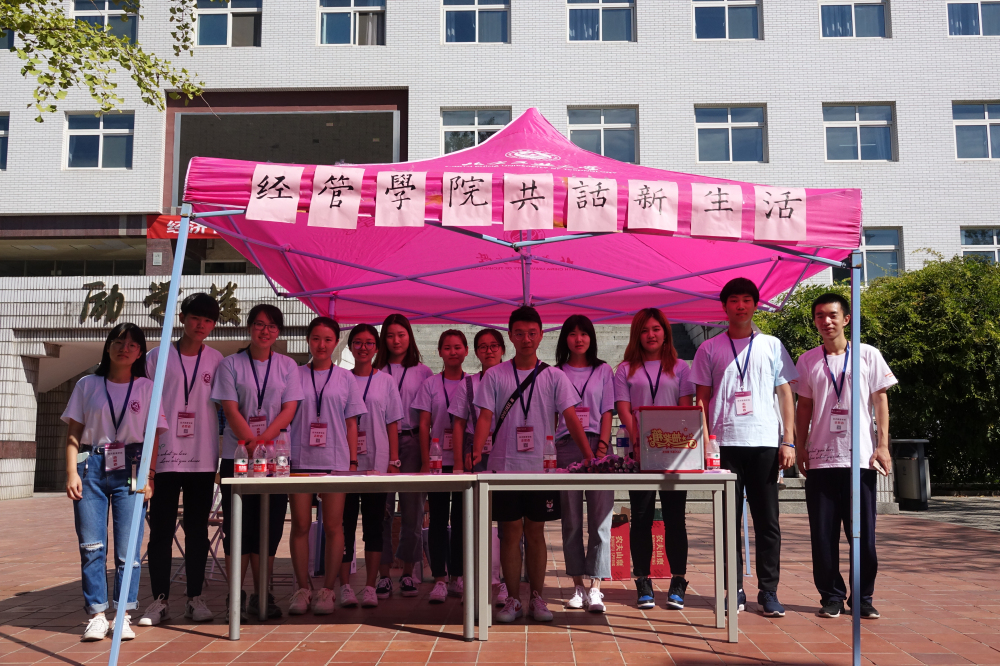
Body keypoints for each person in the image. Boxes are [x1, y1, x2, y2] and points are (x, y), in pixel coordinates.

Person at [471, 306, 594, 623]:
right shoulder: (495, 375)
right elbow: (484, 416)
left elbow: (571, 417)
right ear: (510, 336)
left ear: (541, 336)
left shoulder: (554, 376)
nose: (526, 339)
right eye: (519, 333)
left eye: (531, 333)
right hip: (504, 465)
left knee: (536, 531)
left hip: (542, 465)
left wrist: (589, 455)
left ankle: (537, 597)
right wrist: (475, 452)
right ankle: (513, 599)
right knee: (510, 531)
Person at [691, 278, 798, 617]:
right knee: (727, 522)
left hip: (765, 442)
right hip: (724, 445)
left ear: (755, 304)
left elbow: (785, 394)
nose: (741, 305)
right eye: (734, 300)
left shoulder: (771, 344)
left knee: (768, 521)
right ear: (724, 306)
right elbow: (701, 399)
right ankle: (733, 589)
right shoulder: (709, 348)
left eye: (747, 300)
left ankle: (769, 591)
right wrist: (706, 442)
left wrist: (788, 440)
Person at [793, 293, 896, 620]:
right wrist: (799, 445)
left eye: (833, 315)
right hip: (822, 459)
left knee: (863, 536)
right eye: (820, 316)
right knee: (823, 536)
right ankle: (831, 596)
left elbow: (880, 400)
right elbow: (804, 407)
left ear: (846, 319)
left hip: (860, 460)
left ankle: (863, 597)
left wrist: (882, 445)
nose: (826, 321)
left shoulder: (868, 355)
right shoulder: (807, 360)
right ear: (815, 321)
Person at [63, 322, 167, 641]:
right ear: (108, 346)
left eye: (133, 344)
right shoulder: (87, 384)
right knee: (92, 546)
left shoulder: (147, 388)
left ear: (140, 352)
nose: (125, 348)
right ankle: (97, 615)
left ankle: (123, 615)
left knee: (128, 549)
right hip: (91, 467)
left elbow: (153, 436)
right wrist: (71, 472)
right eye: (119, 342)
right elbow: (74, 432)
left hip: (133, 466)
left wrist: (149, 475)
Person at [211, 304, 303, 621]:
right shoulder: (230, 364)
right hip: (236, 455)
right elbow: (229, 407)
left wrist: (262, 442)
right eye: (260, 324)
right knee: (238, 526)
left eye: (272, 326)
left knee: (270, 526)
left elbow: (289, 409)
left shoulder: (288, 366)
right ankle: (235, 596)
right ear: (250, 327)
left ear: (279, 332)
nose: (266, 331)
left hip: (275, 457)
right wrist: (250, 442)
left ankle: (262, 594)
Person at [140, 294, 223, 627]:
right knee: (160, 530)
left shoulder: (217, 360)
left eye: (208, 320)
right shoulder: (156, 357)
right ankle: (159, 600)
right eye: (195, 318)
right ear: (183, 318)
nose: (201, 325)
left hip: (202, 458)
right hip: (164, 457)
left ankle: (194, 598)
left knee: (197, 531)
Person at [614, 308, 695, 611]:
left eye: (656, 329)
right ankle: (642, 580)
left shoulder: (681, 368)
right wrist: (638, 438)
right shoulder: (625, 370)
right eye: (645, 330)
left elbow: (685, 408)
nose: (651, 335)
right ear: (637, 334)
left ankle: (678, 580)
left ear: (665, 333)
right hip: (639, 453)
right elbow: (623, 408)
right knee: (641, 517)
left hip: (673, 453)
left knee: (675, 518)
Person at [286, 317, 367, 616]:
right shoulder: (294, 374)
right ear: (308, 340)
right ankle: (302, 588)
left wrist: (353, 462)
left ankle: (328, 590)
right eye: (316, 338)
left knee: (334, 526)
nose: (321, 345)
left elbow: (352, 423)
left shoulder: (345, 378)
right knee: (300, 525)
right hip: (299, 459)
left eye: (328, 339)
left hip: (335, 460)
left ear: (336, 343)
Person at [554, 315, 614, 614]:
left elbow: (607, 411)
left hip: (598, 447)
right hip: (566, 447)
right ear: (564, 338)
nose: (579, 339)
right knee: (572, 519)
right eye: (572, 334)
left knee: (601, 520)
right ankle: (577, 585)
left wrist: (602, 446)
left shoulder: (604, 370)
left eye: (584, 334)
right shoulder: (555, 372)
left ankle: (595, 586)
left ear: (592, 337)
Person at [341, 323, 403, 609]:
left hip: (376, 463)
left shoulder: (386, 381)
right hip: (345, 464)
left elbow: (392, 424)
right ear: (350, 347)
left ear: (377, 348)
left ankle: (369, 586)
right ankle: (344, 586)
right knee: (345, 525)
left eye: (369, 343)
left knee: (374, 525)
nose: (363, 347)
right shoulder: (341, 378)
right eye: (357, 342)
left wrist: (393, 461)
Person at [374, 314, 432, 599]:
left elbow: (427, 417)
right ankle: (384, 575)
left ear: (410, 337)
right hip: (380, 444)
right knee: (381, 511)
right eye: (390, 335)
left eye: (401, 334)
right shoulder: (375, 370)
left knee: (412, 512)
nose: (396, 341)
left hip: (412, 442)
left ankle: (409, 572)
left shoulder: (424, 372)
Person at [449, 327, 507, 606]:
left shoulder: (511, 379)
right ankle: (469, 577)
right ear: (476, 352)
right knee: (471, 519)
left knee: (508, 519)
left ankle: (506, 580)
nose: (489, 351)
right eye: (483, 346)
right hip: (475, 453)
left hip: (507, 450)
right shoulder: (468, 384)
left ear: (503, 350)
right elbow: (458, 424)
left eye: (494, 345)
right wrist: (459, 463)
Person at [413, 330, 469, 604]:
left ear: (466, 351)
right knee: (437, 519)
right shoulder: (430, 384)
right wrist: (425, 461)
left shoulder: (472, 383)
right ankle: (439, 578)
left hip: (462, 463)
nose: (452, 352)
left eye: (457, 347)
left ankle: (458, 575)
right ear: (439, 352)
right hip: (436, 462)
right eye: (447, 347)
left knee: (460, 520)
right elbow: (424, 423)